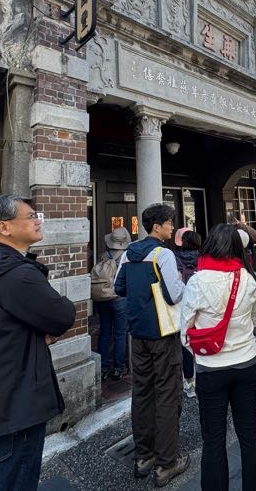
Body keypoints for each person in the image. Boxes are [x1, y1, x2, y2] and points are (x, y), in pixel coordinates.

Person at [0, 195, 76, 491]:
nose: (38, 221)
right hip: (12, 406)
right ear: (4, 227)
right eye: (31, 216)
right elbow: (62, 314)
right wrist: (46, 327)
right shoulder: (17, 275)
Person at [180, 223, 256, 491]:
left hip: (211, 369)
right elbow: (254, 318)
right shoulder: (249, 277)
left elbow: (185, 331)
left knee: (213, 439)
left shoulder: (198, 281)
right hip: (246, 362)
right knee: (249, 432)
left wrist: (201, 353)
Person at [114, 203, 189, 486]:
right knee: (168, 393)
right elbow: (173, 295)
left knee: (142, 392)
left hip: (138, 333)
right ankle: (166, 462)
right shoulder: (163, 254)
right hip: (163, 332)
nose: (172, 227)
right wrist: (181, 282)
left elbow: (118, 287)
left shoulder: (128, 254)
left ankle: (143, 456)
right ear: (157, 226)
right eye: (169, 223)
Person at [94, 226, 131, 381]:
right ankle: (119, 368)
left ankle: (103, 368)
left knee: (104, 332)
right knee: (120, 333)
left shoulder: (104, 255)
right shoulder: (127, 256)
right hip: (119, 298)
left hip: (102, 297)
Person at [176, 230, 202, 399]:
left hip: (183, 305)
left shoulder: (175, 258)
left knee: (186, 342)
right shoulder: (203, 258)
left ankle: (189, 383)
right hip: (202, 304)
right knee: (202, 339)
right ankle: (203, 377)